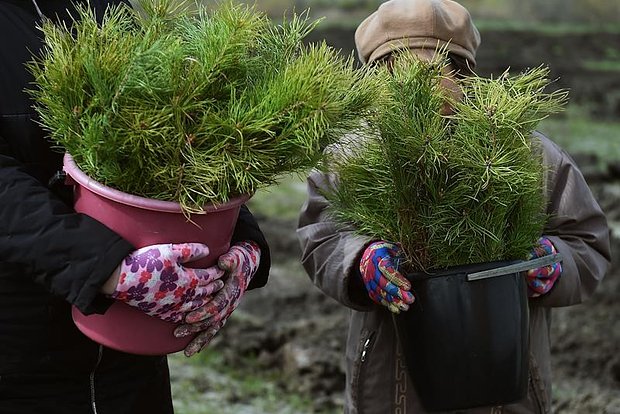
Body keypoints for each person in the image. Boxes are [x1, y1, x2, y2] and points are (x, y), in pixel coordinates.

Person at [296, 0, 611, 413]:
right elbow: (321, 235)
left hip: (504, 383)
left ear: (463, 74)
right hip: (391, 391)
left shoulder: (528, 155)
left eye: (436, 70)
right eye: (399, 70)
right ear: (375, 77)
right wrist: (362, 260)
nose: (420, 86)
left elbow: (587, 241)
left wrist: (555, 261)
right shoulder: (351, 158)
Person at [0, 1, 270, 413]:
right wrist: (107, 268)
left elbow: (177, 143)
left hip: (131, 365)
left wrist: (241, 243)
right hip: (19, 362)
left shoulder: (102, 8)